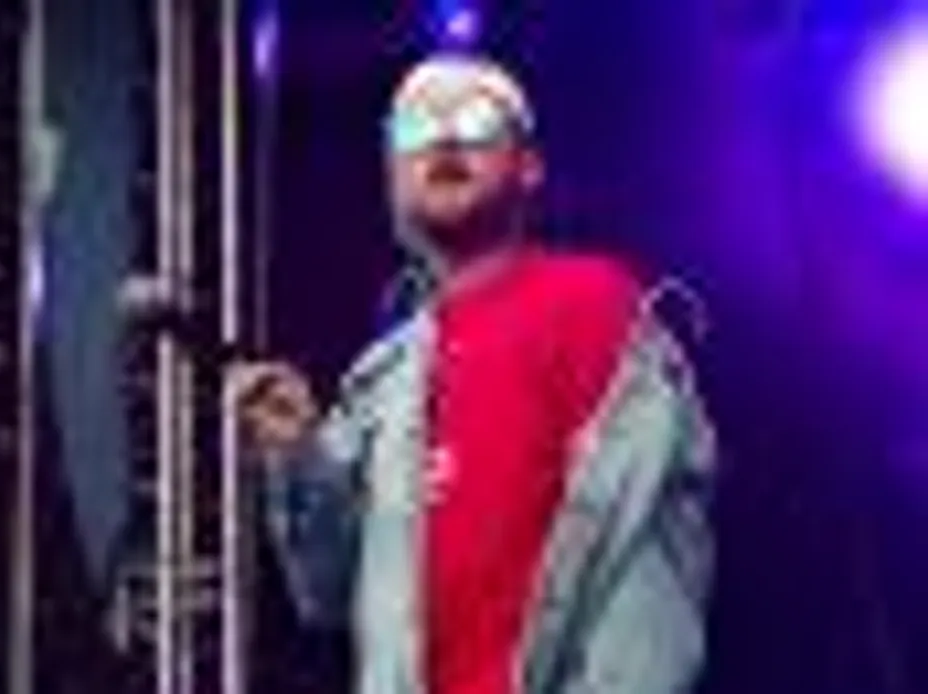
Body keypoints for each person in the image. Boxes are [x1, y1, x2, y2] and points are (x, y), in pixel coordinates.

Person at [231, 54, 716, 694]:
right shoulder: (382, 377)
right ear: (393, 179)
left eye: (476, 119)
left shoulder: (588, 302)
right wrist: (297, 454)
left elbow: (645, 558)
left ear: (529, 165)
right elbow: (329, 592)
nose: (444, 140)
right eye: (416, 127)